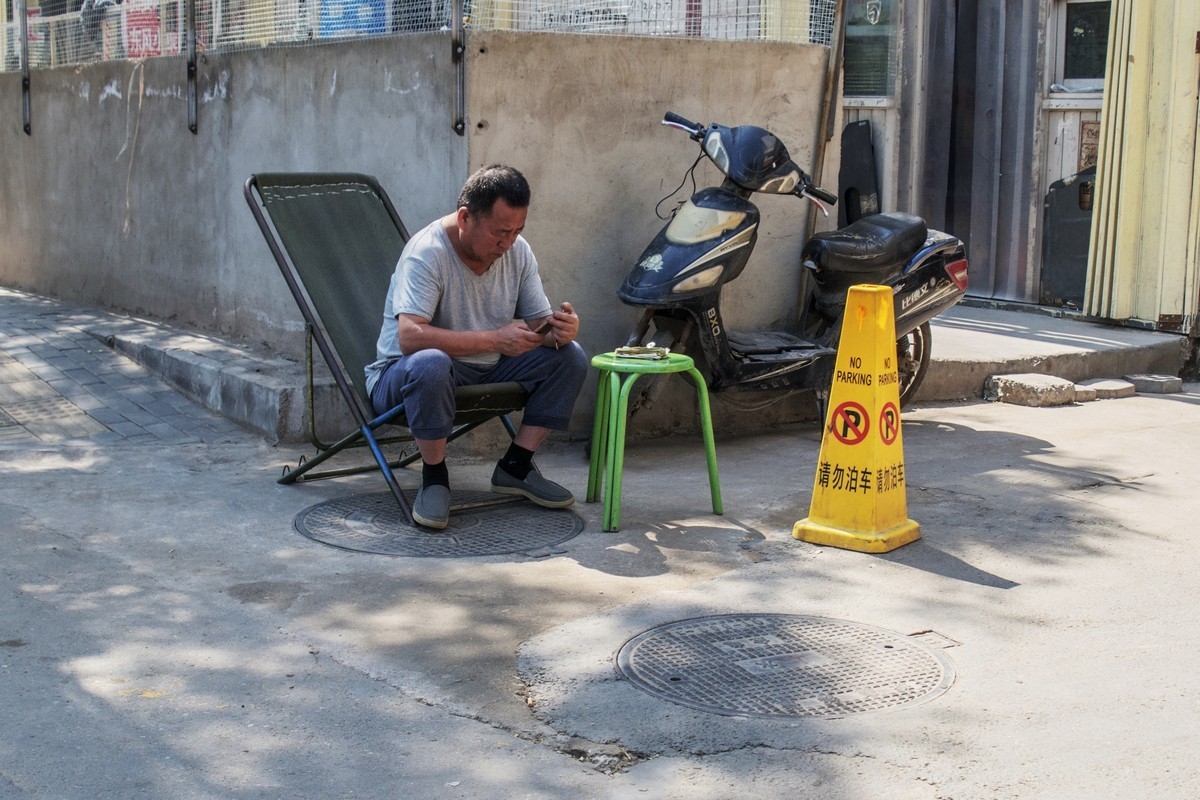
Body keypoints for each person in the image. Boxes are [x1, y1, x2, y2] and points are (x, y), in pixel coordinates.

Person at [365, 165, 588, 530]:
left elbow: (537, 325)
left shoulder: (517, 251)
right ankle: (435, 477)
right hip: (404, 377)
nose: (508, 243)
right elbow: (410, 337)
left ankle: (515, 467)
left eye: (518, 231)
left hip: (486, 366)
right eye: (500, 232)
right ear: (466, 217)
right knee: (431, 363)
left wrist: (560, 330)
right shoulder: (428, 252)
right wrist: (494, 339)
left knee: (570, 357)